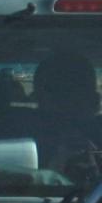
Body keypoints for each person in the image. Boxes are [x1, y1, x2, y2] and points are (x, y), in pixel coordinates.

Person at [32, 51, 102, 182]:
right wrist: (54, 166)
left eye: (79, 94)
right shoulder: (16, 143)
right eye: (60, 95)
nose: (70, 104)